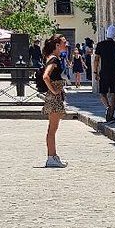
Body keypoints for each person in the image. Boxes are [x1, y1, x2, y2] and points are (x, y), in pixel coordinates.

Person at [41, 34, 69, 168]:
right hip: (54, 97)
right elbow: (46, 76)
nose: (66, 44)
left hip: (55, 97)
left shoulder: (53, 58)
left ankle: (53, 155)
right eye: (64, 42)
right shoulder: (53, 60)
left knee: (53, 128)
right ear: (57, 45)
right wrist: (54, 90)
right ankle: (51, 157)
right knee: (52, 129)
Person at [94, 25, 115, 122]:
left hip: (104, 72)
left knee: (103, 93)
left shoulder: (100, 45)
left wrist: (95, 72)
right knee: (113, 94)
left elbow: (96, 59)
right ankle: (111, 115)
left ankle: (107, 107)